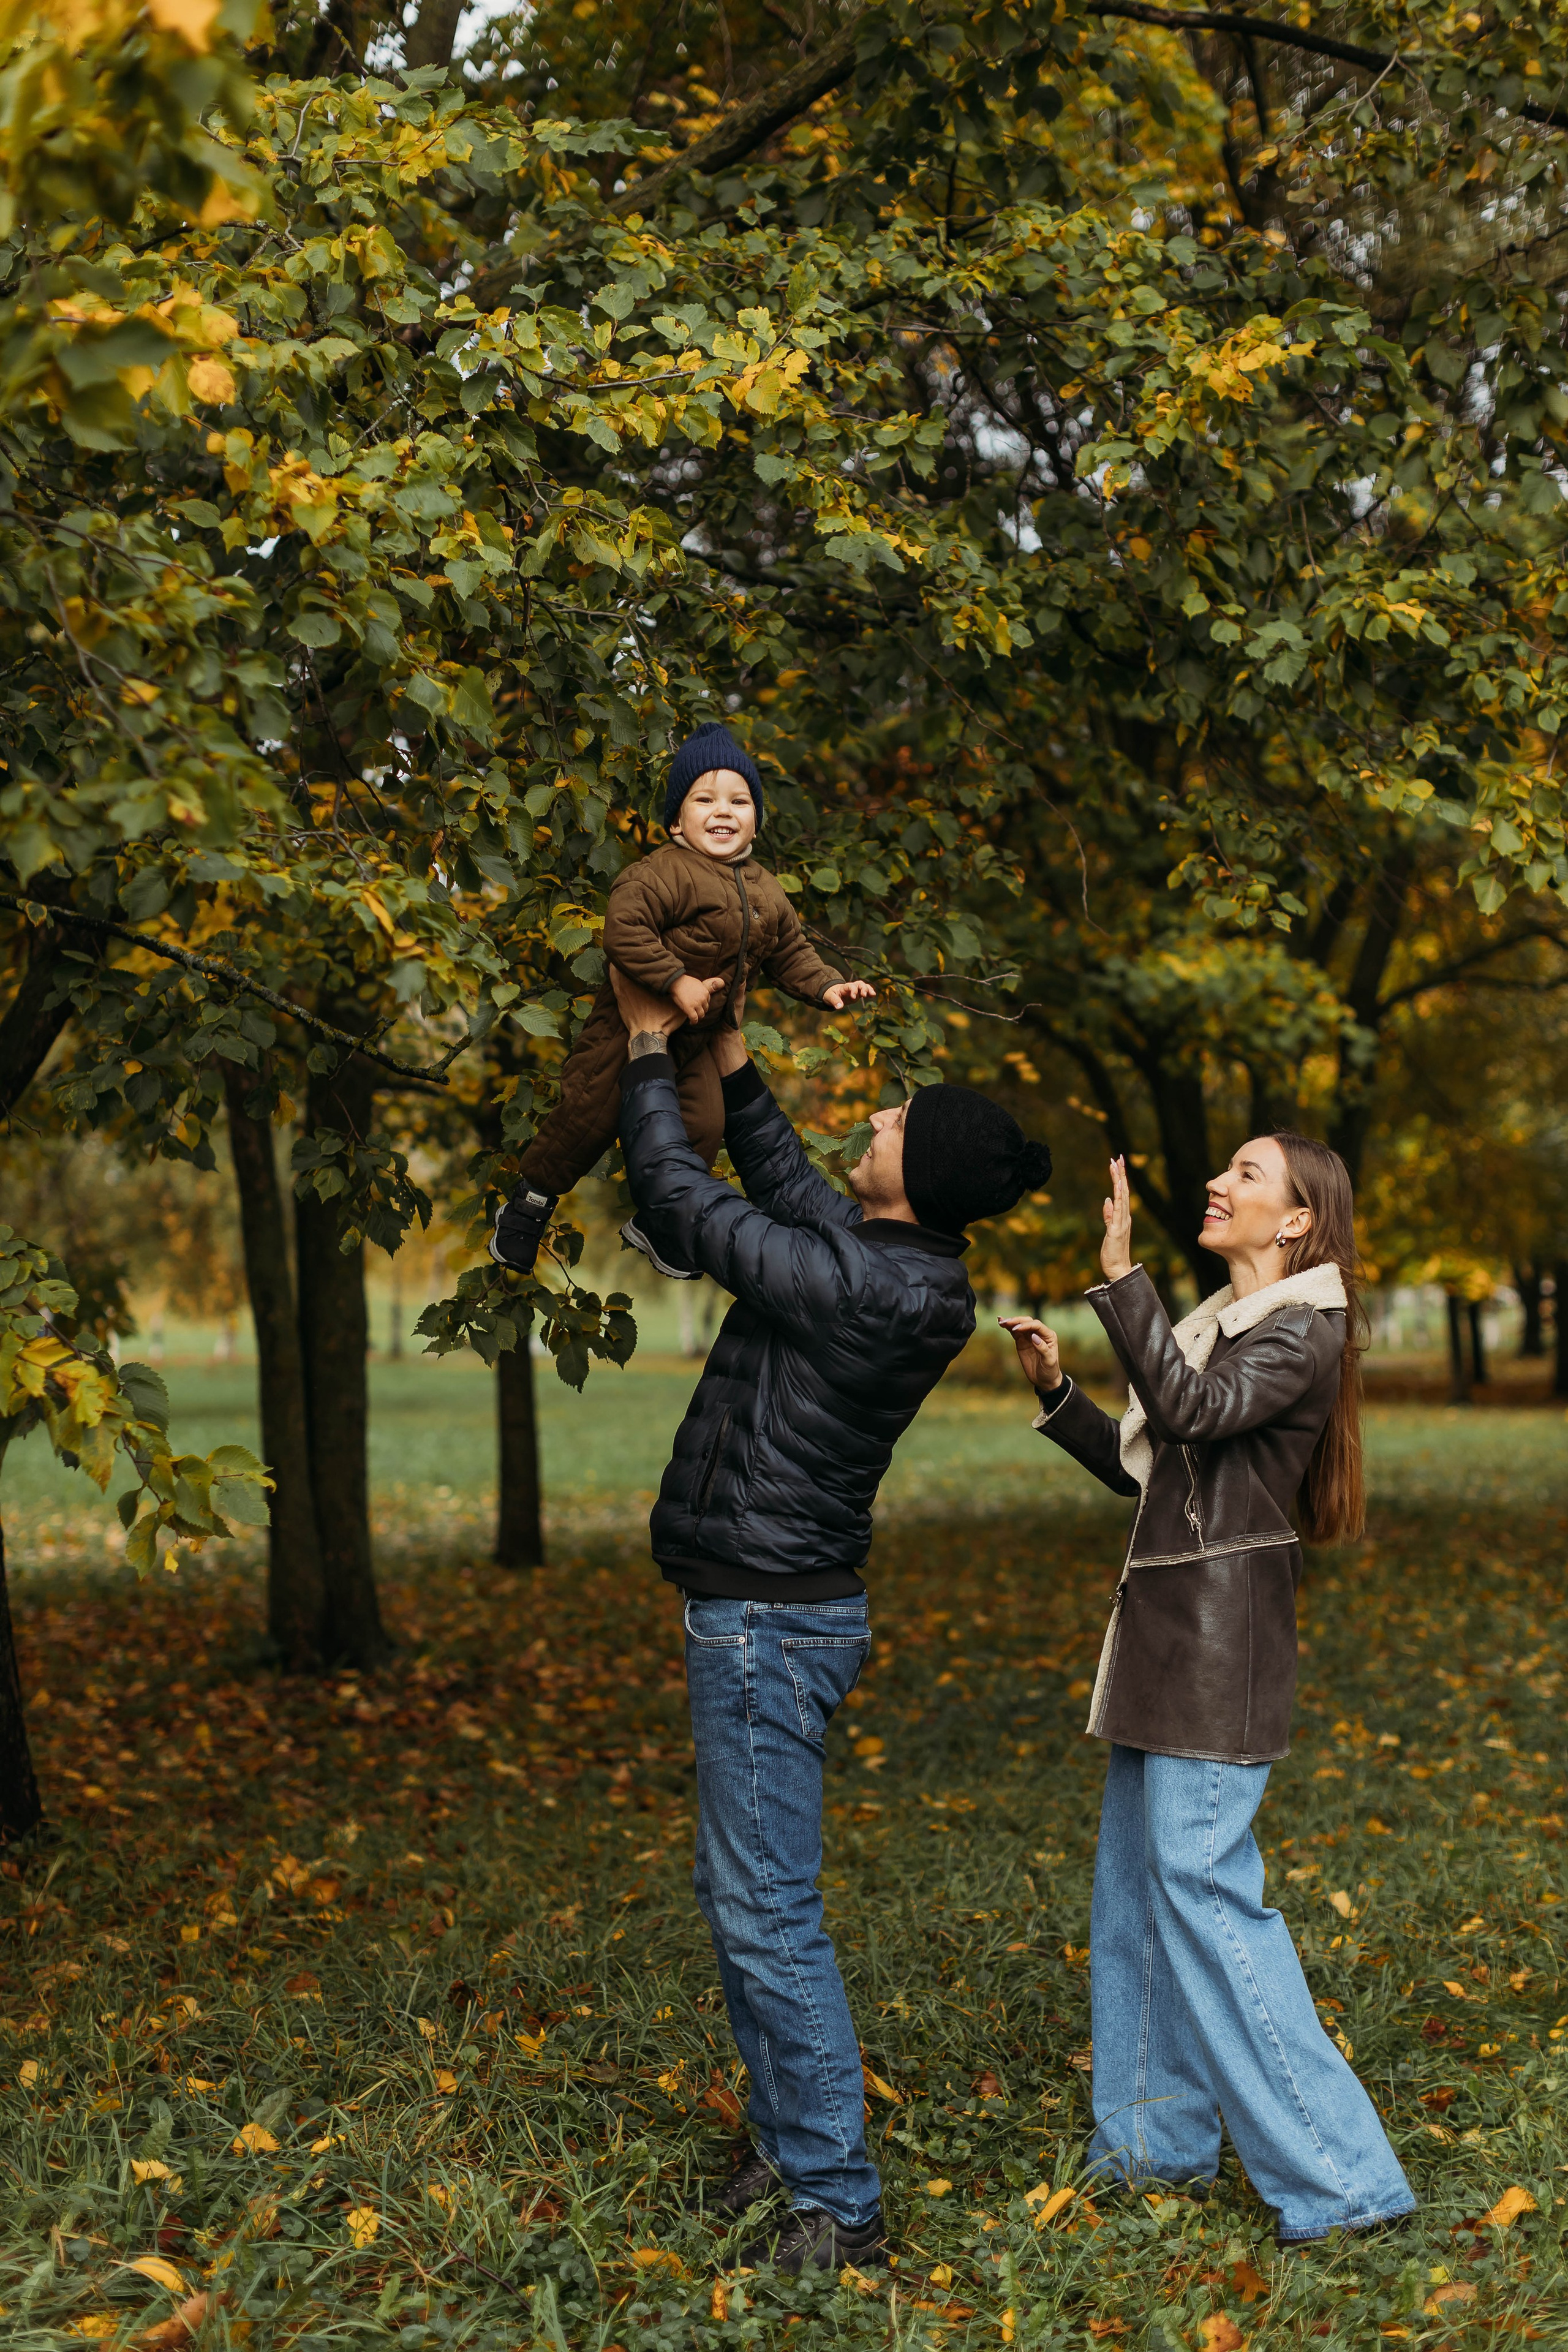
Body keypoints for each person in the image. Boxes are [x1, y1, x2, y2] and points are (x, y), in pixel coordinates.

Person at [614, 967, 1051, 2275]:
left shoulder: (863, 1286)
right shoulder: (890, 1261)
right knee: (741, 1893)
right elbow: (789, 1185)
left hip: (766, 1622)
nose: (867, 1118)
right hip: (765, 1610)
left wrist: (650, 1059)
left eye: (889, 1117)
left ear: (912, 1172)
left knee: (766, 1911)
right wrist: (735, 1066)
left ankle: (836, 2206)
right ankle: (788, 2150)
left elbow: (686, 1207)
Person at [1000, 1137, 1416, 2247]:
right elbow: (1158, 1464)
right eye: (1224, 1169)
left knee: (1208, 1898)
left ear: (1296, 1224)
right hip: (1164, 1646)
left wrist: (1120, 1271)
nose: (1220, 1185)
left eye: (1248, 1174)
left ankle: (1345, 2180)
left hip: (1217, 1658)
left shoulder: (1303, 1331)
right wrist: (1058, 1394)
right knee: (1137, 1896)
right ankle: (1151, 2147)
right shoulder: (1229, 1332)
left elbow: (1185, 1411)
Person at [489, 720, 874, 1278]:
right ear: (676, 820)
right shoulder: (663, 872)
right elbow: (624, 930)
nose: (725, 811)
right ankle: (530, 1203)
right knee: (584, 1120)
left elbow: (790, 949)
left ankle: (661, 1222)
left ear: (756, 819)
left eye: (740, 800)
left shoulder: (767, 889)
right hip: (627, 1030)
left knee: (704, 1126)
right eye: (705, 799)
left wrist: (827, 984)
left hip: (696, 1042)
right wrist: (675, 980)